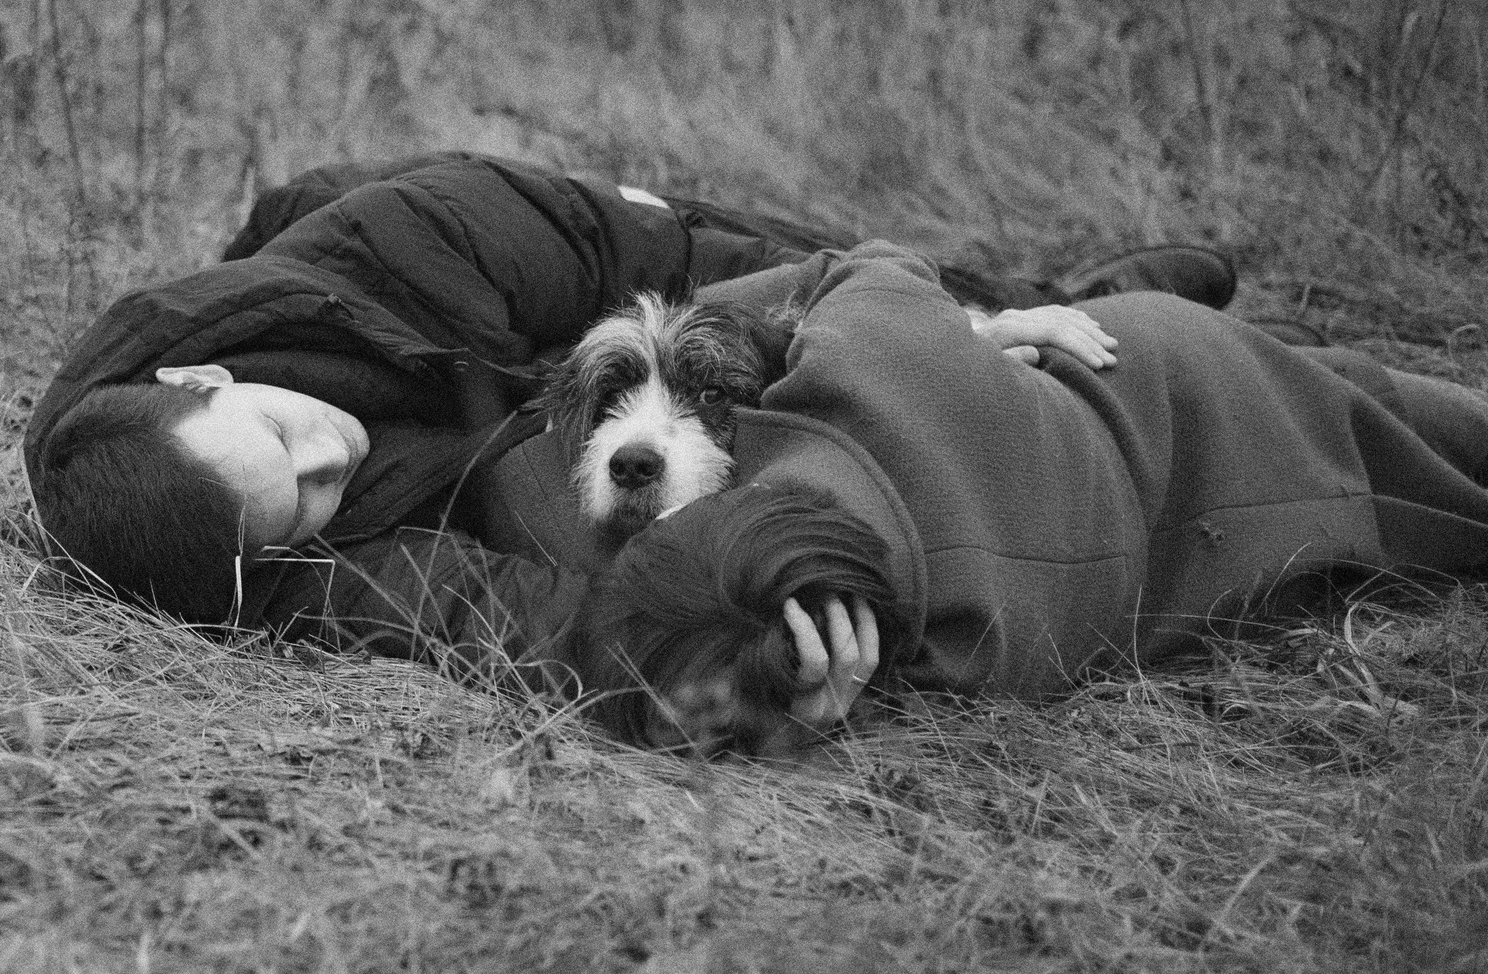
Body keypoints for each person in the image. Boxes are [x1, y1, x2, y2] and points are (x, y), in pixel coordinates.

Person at [25, 152, 1229, 711]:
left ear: (201, 375)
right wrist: (734, 668)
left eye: (283, 434)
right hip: (545, 427)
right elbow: (502, 623)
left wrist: (959, 314)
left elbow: (679, 266)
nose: (328, 458)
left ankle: (1058, 282)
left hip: (610, 265)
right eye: (299, 500)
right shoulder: (250, 561)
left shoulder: (406, 234)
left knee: (801, 281)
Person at [570, 241, 1488, 756]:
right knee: (1390, 438)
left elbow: (859, 269)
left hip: (1159, 388)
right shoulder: (934, 639)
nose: (640, 438)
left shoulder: (940, 648)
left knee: (1396, 434)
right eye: (615, 402)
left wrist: (979, 326)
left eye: (712, 401)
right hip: (1141, 453)